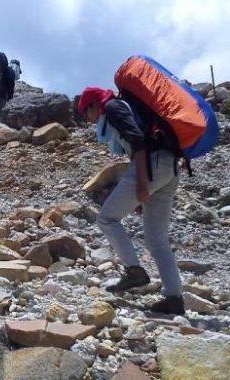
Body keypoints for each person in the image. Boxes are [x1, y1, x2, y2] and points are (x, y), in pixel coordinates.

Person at [78, 86, 185, 315]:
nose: (88, 120)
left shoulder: (112, 108)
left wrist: (141, 182)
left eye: (85, 113)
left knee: (107, 218)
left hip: (152, 163)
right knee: (157, 239)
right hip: (170, 166)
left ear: (94, 105)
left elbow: (137, 140)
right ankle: (174, 298)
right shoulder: (123, 108)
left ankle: (133, 270)